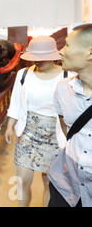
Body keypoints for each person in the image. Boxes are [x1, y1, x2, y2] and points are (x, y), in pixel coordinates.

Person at [5, 36, 69, 206]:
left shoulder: (67, 76)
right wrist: (10, 126)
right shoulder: (24, 74)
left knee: (49, 182)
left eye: (42, 58)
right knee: (22, 180)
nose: (38, 62)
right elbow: (16, 102)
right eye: (35, 58)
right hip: (28, 133)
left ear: (53, 56)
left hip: (55, 137)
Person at [48, 23, 92, 207]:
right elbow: (67, 129)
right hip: (66, 184)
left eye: (67, 45)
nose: (61, 51)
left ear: (90, 53)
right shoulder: (63, 89)